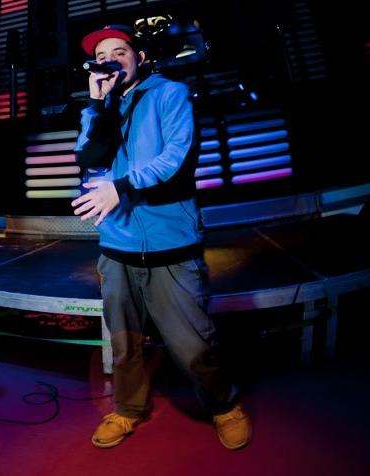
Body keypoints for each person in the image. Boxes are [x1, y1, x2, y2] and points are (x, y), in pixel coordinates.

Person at [71, 25, 252, 449]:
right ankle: (128, 409)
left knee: (192, 342)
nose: (111, 59)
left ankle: (224, 405)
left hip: (171, 242)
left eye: (120, 51)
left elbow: (177, 158)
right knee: (124, 342)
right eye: (102, 54)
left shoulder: (170, 94)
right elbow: (89, 157)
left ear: (139, 58)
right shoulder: (98, 107)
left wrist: (121, 187)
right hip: (117, 245)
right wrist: (98, 104)